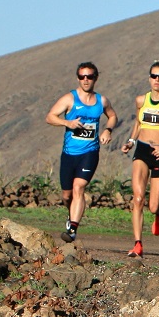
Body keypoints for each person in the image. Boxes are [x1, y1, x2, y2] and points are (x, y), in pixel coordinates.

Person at [44, 62, 118, 243]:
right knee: (67, 195)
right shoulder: (69, 99)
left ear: (95, 78)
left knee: (79, 188)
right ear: (78, 78)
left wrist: (108, 130)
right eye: (82, 76)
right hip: (69, 154)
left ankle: (72, 229)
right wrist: (67, 123)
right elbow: (50, 117)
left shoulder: (101, 101)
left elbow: (113, 115)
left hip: (90, 152)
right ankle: (71, 216)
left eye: (90, 76)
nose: (86, 80)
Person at [119, 61, 159, 258]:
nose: (157, 80)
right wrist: (130, 141)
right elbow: (138, 123)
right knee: (138, 198)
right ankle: (138, 244)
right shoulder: (141, 100)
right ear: (149, 78)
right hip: (143, 150)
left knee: (153, 205)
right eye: (154, 76)